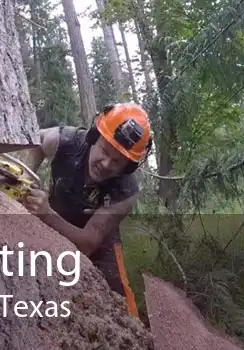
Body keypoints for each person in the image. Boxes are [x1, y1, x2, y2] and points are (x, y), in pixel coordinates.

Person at [19, 103, 153, 318]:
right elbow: (38, 141)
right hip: (56, 214)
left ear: (128, 167)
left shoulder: (126, 191)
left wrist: (46, 214)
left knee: (118, 292)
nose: (106, 164)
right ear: (93, 137)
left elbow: (89, 243)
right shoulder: (68, 140)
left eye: (117, 162)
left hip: (97, 238)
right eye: (104, 151)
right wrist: (25, 178)